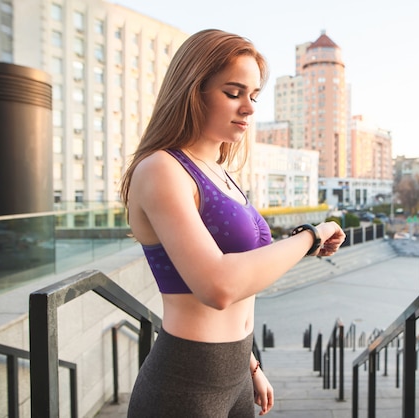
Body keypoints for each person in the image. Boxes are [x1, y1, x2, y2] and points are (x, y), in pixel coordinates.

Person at [119, 29, 346, 417]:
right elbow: (219, 286)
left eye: (254, 95)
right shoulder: (161, 169)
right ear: (194, 90)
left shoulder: (221, 172)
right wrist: (313, 234)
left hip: (238, 376)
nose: (249, 107)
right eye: (233, 92)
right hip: (185, 385)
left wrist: (251, 363)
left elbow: (244, 289)